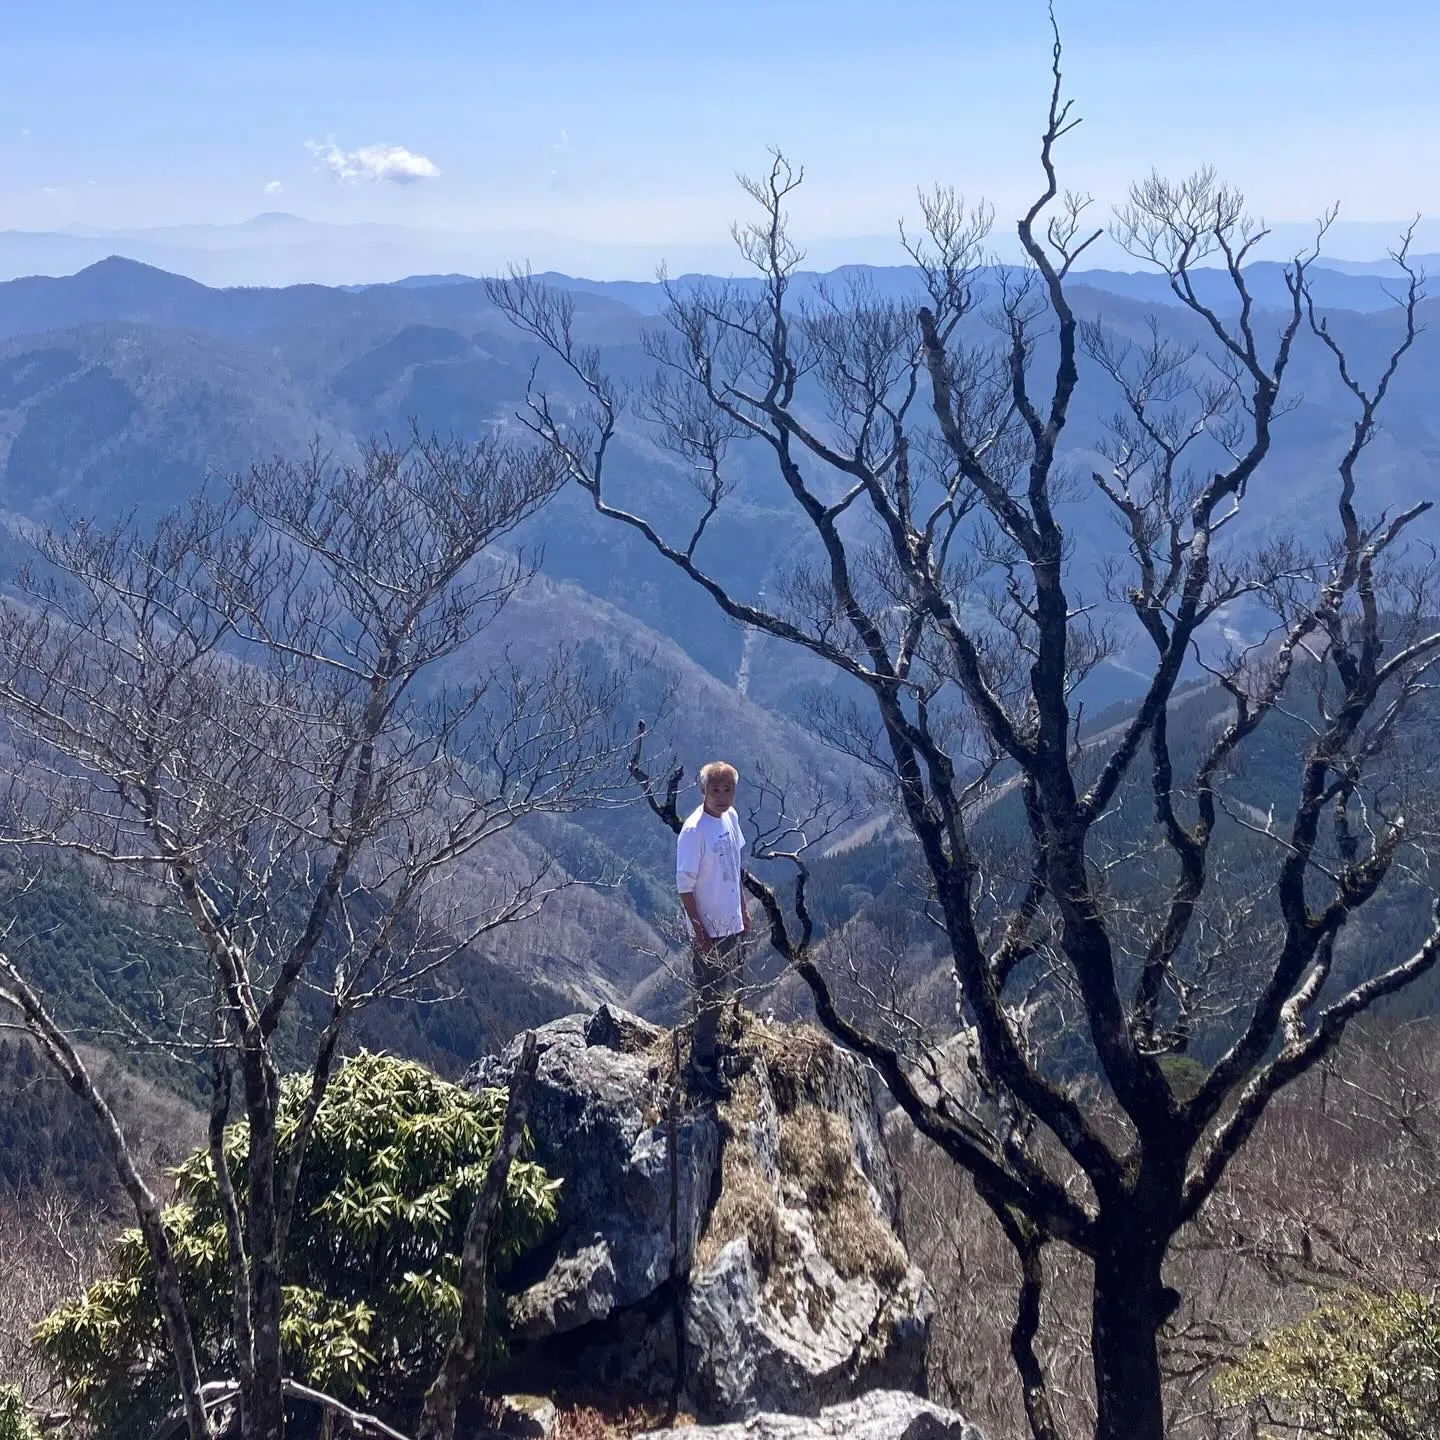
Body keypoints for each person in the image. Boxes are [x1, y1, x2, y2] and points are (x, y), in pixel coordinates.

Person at [676, 760, 749, 1091]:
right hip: (709, 929)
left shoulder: (731, 818)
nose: (722, 796)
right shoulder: (694, 830)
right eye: (715, 789)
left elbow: (736, 867)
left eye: (728, 789)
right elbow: (685, 887)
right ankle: (702, 1064)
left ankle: (720, 1044)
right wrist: (700, 932)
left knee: (728, 988)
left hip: (732, 922)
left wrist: (743, 910)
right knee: (709, 995)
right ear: (702, 790)